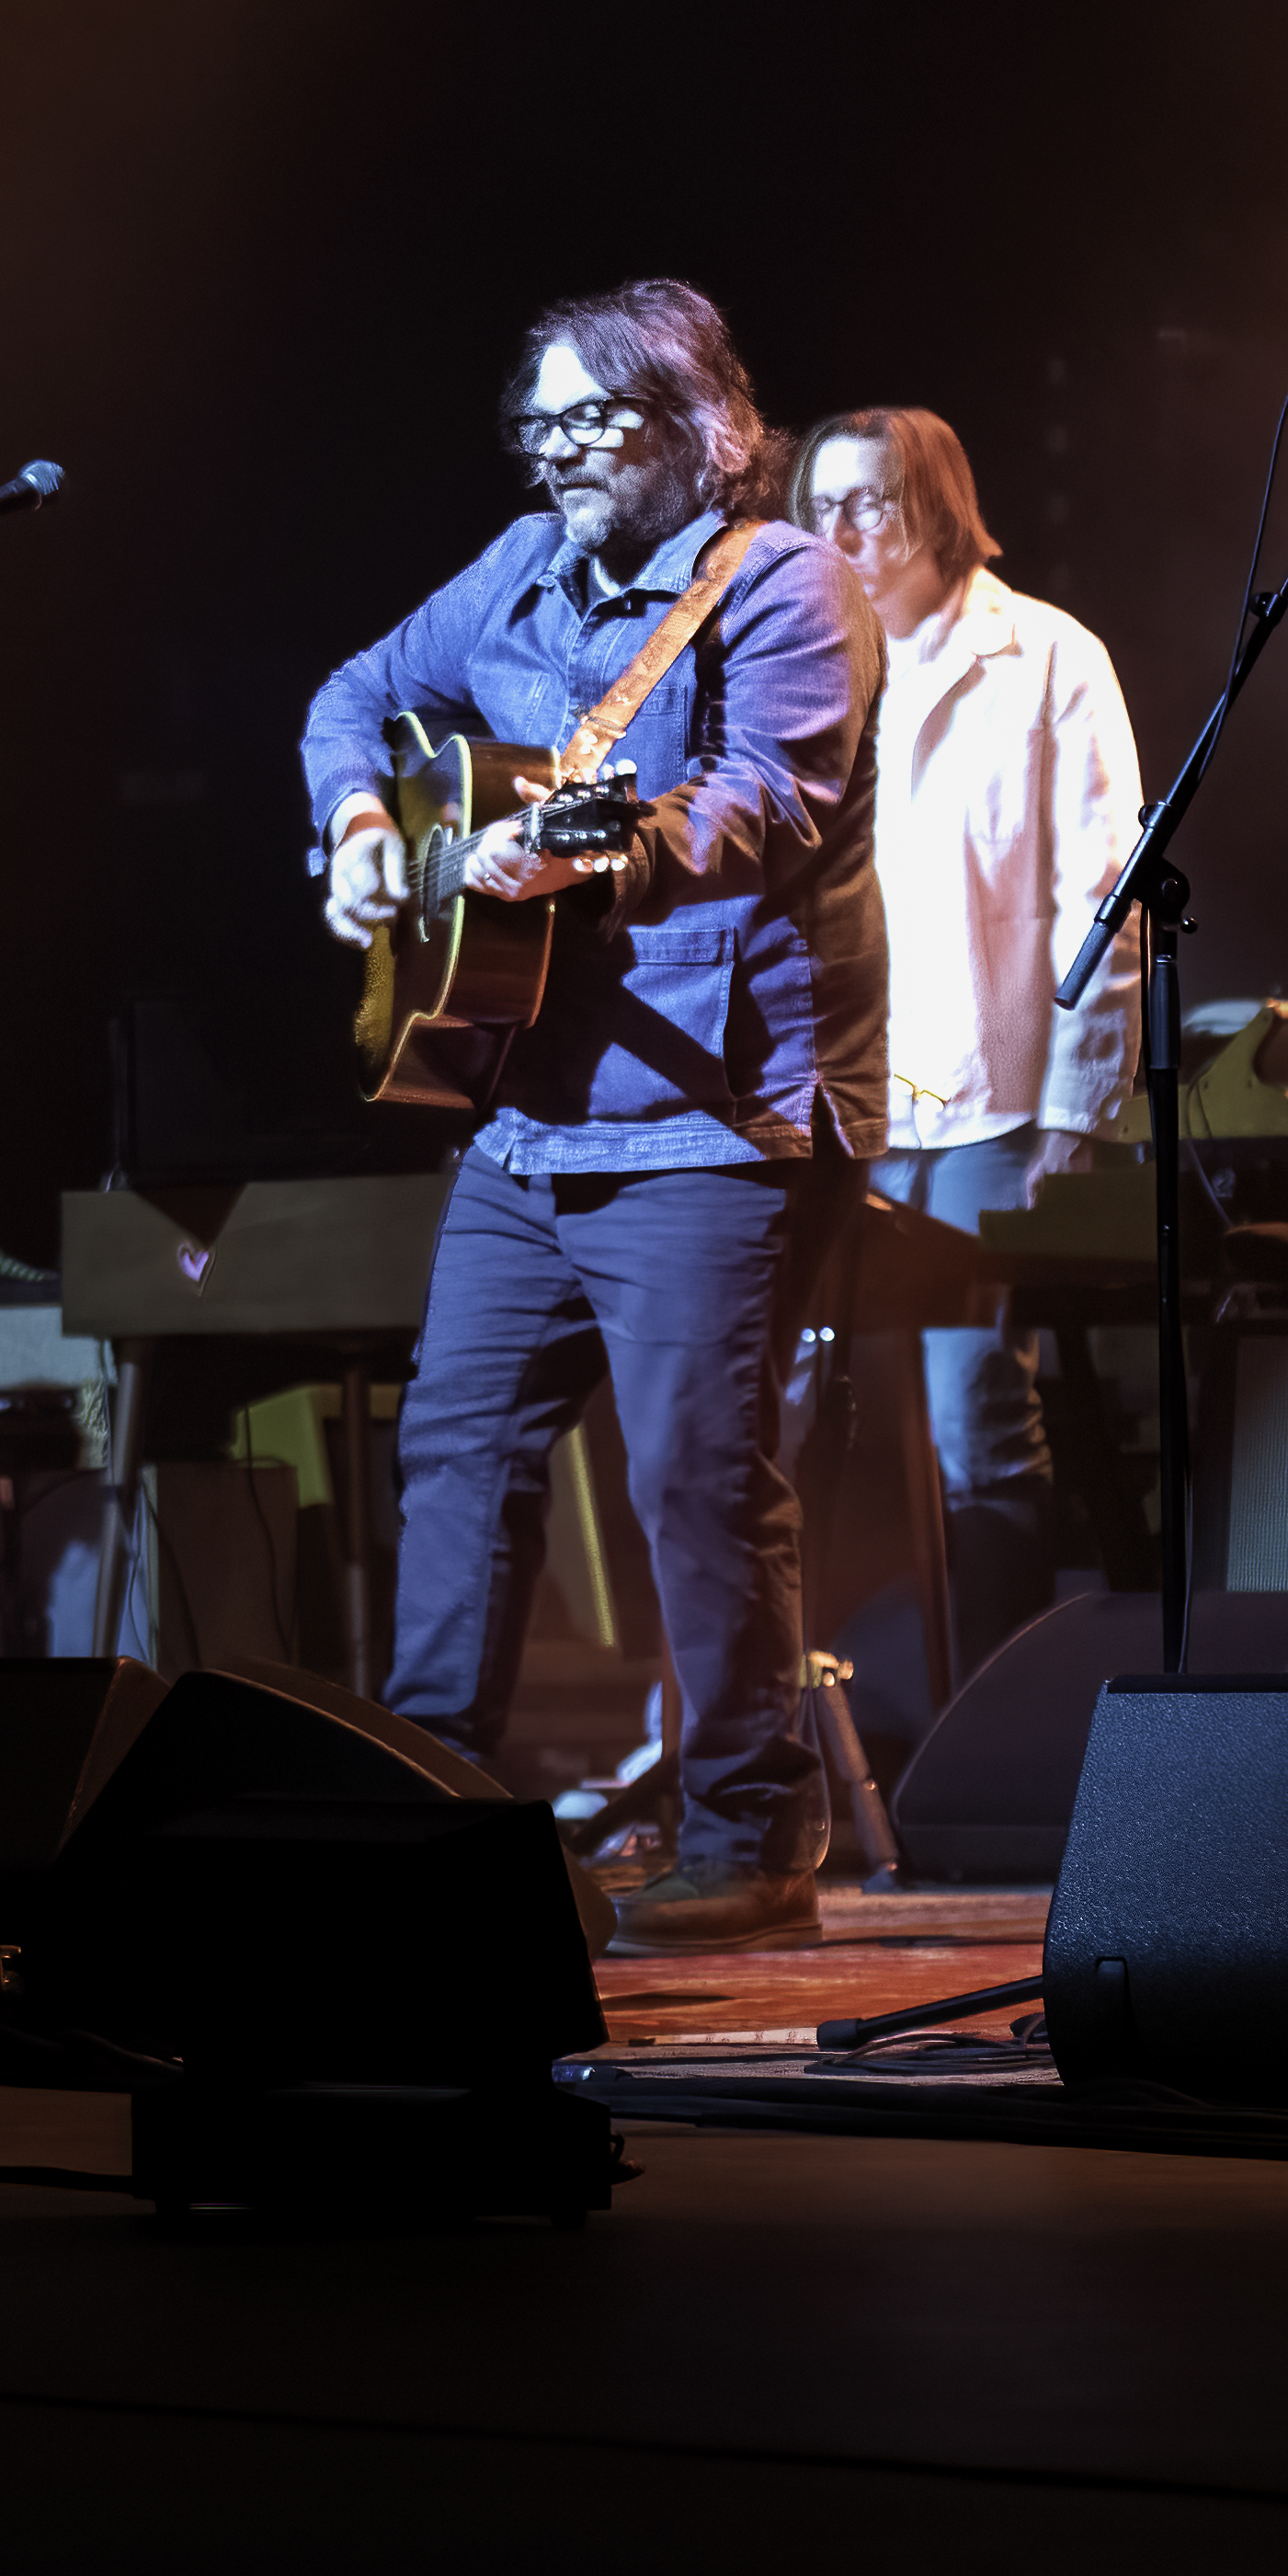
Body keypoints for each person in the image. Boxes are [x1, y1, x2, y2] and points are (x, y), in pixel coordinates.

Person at [306, 281, 884, 1956]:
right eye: (538, 424)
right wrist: (358, 824)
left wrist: (592, 854)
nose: (556, 452)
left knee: (699, 1481)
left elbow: (772, 800)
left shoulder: (783, 581)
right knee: (452, 1459)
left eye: (590, 422)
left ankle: (749, 1839)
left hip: (708, 1117)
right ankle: (429, 1806)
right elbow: (350, 692)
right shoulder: (514, 563)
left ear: (695, 422)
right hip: (523, 1111)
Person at [793, 406, 1143, 1677]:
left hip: (992, 1107)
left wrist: (1073, 1108)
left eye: (868, 500)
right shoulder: (811, 663)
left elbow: (1103, 896)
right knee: (807, 1416)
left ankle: (990, 1726)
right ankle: (825, 1731)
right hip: (838, 1104)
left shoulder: (1048, 656)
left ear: (936, 507)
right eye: (817, 505)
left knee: (975, 1418)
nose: (838, 529)